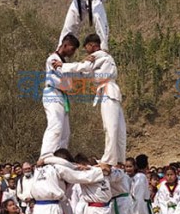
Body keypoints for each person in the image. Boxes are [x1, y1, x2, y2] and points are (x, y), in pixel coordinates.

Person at [54, 34, 126, 165]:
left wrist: (63, 66)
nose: (86, 51)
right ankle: (119, 158)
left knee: (110, 127)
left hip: (108, 91)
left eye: (86, 48)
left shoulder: (99, 54)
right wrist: (81, 65)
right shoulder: (103, 58)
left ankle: (110, 159)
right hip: (112, 91)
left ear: (93, 46)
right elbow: (85, 72)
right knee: (119, 129)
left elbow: (84, 67)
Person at [40, 34, 81, 160]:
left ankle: (60, 156)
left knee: (65, 131)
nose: (73, 52)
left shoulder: (63, 62)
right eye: (72, 49)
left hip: (61, 96)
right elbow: (64, 82)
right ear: (65, 45)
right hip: (53, 93)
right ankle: (46, 155)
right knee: (55, 124)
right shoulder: (53, 59)